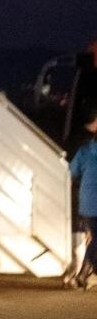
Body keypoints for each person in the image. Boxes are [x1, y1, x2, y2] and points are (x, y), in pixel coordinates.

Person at [68, 110, 97, 288]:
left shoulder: (84, 151)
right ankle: (86, 274)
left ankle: (85, 273)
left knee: (94, 238)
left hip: (86, 203)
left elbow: (72, 172)